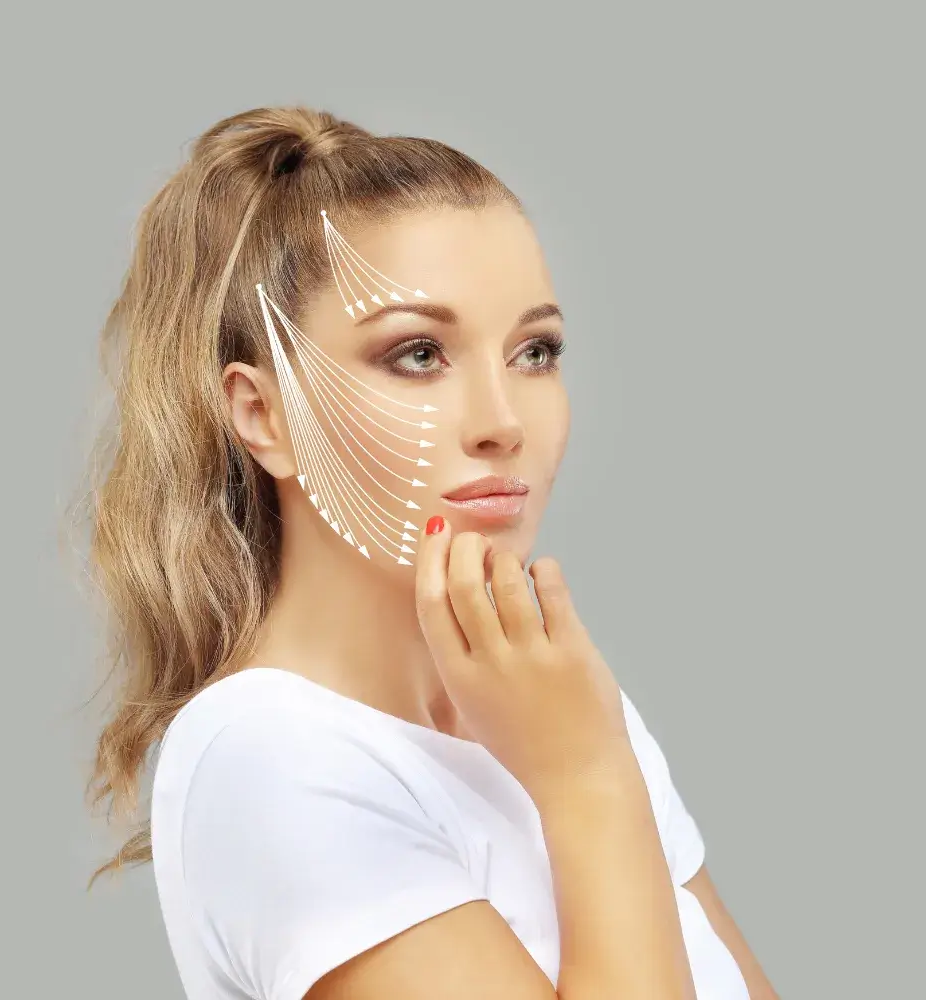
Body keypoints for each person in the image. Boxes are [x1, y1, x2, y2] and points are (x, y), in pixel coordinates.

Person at [83, 105, 780, 1000]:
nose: (501, 423)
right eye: (418, 354)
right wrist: (584, 777)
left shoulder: (557, 705)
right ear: (264, 415)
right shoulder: (269, 758)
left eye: (536, 351)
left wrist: (588, 754)